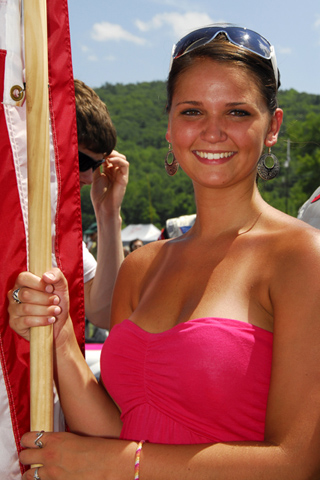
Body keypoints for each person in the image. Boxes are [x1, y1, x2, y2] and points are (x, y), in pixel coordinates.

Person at [8, 24, 320, 479]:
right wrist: (58, 338)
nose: (213, 132)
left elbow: (296, 463)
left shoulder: (301, 258)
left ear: (272, 126)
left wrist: (121, 465)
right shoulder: (141, 267)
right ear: (170, 127)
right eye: (192, 111)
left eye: (236, 112)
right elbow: (121, 426)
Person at [73, 79, 129, 330]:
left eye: (96, 166)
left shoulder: (60, 228)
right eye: (81, 161)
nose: (88, 178)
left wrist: (108, 214)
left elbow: (106, 314)